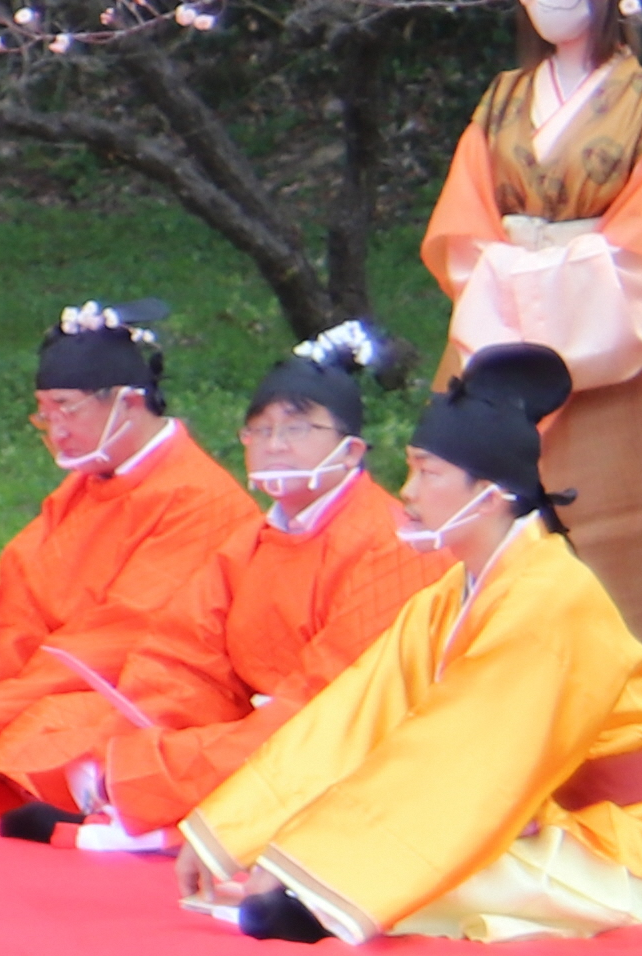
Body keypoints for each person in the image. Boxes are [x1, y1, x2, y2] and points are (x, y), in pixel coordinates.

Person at [171, 346, 642, 943]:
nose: (409, 491)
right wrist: (229, 831)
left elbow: (452, 754)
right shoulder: (450, 595)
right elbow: (354, 719)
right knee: (332, 881)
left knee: (354, 887)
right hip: (531, 820)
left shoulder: (550, 596)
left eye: (428, 472)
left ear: (490, 492)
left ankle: (323, 892)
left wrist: (304, 859)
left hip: (607, 844)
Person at [419, 0, 642, 669]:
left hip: (601, 309)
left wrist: (560, 279)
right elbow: (467, 205)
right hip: (498, 297)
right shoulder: (502, 97)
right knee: (475, 487)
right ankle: (467, 662)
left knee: (616, 514)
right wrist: (506, 275)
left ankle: (625, 677)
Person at [0, 296, 254, 822]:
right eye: (46, 412)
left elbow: (124, 637)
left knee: (60, 727)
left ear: (128, 402)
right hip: (64, 674)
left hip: (156, 686)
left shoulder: (201, 500)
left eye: (67, 409)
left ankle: (30, 781)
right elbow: (16, 606)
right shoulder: (84, 486)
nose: (54, 429)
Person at [80, 328, 436, 838]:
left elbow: (333, 705)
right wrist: (145, 734)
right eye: (259, 432)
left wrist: (158, 767)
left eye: (295, 431)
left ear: (352, 449)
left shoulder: (394, 544)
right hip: (261, 730)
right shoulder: (251, 541)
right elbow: (183, 654)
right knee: (119, 732)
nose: (274, 447)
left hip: (344, 741)